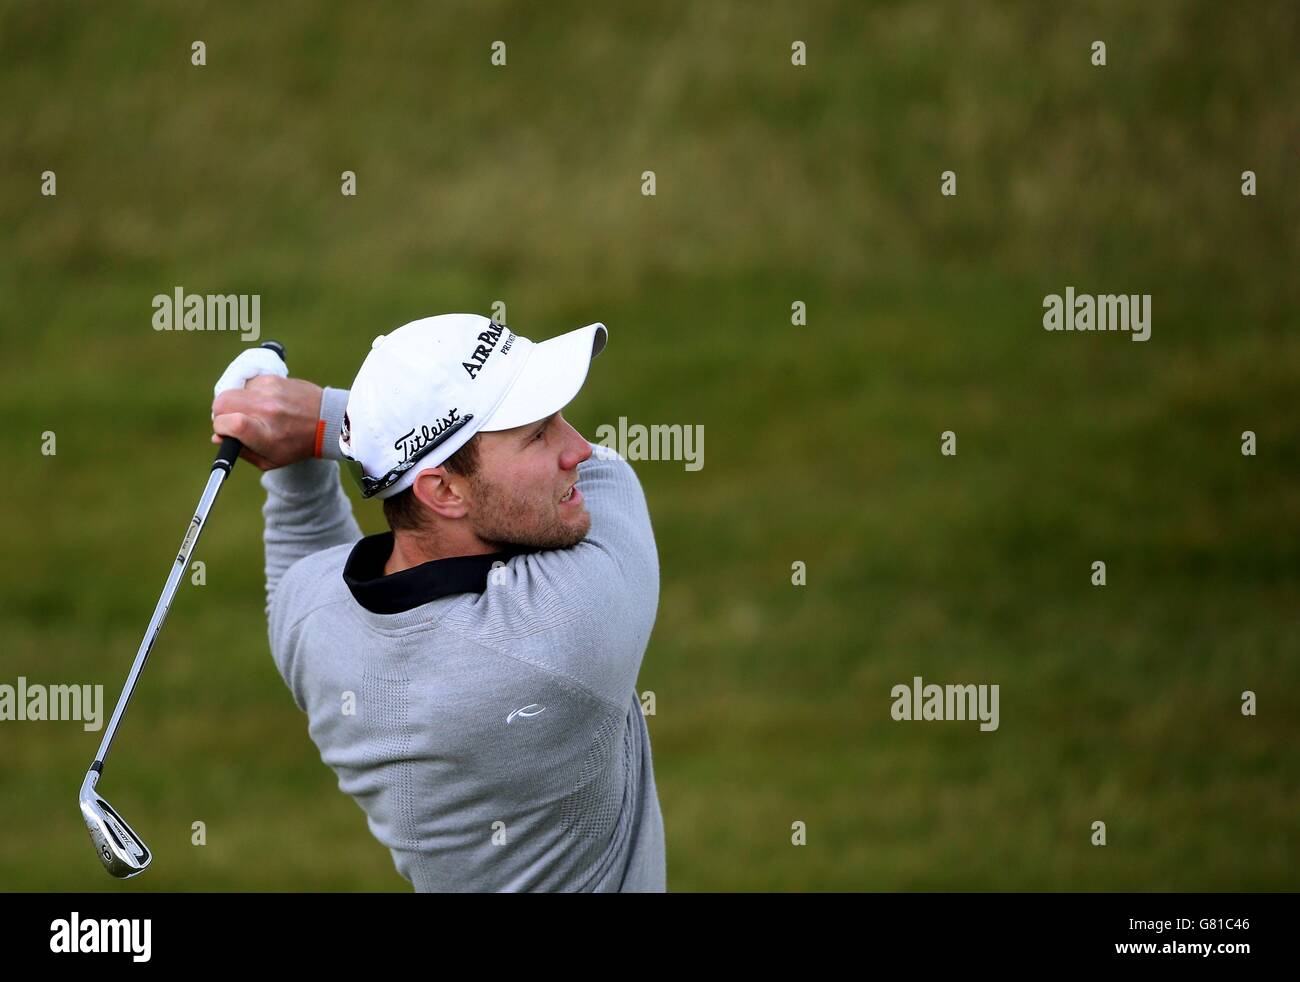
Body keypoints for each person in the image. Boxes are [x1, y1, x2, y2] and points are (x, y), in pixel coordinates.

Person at [209, 314, 665, 892]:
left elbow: (303, 548)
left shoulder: (312, 625)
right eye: (537, 433)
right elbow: (611, 475)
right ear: (443, 490)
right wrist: (324, 420)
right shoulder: (561, 637)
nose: (575, 448)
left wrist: (300, 450)